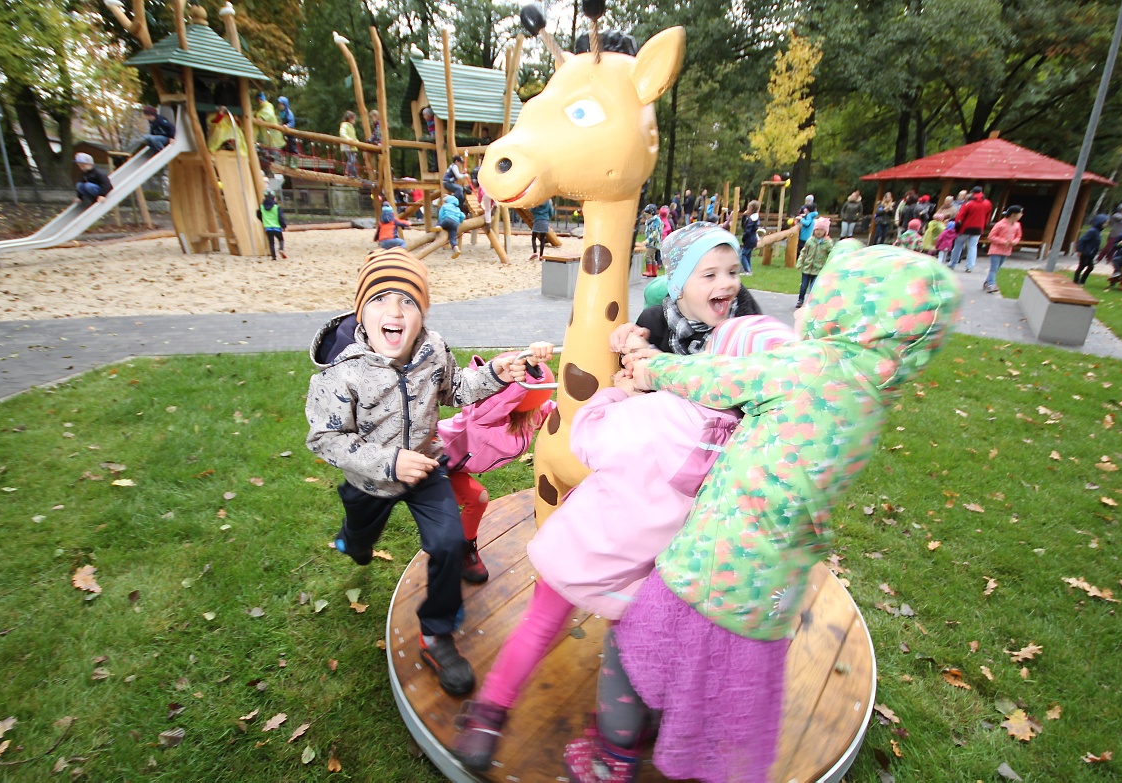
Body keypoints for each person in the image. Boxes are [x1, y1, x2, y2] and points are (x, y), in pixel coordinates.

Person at [562, 243, 960, 783]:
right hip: (775, 582)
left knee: (634, 646)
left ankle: (612, 758)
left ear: (847, 308)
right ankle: (692, 745)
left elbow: (717, 381)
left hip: (715, 555)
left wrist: (655, 366)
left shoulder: (812, 363)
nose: (805, 306)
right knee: (722, 674)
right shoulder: (870, 396)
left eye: (822, 294)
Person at [452, 316, 796, 772]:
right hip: (644, 576)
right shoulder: (751, 444)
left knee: (537, 628)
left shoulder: (660, 413)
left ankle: (489, 716)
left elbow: (588, 441)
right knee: (630, 656)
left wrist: (618, 395)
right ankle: (624, 732)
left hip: (581, 550)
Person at [304, 248, 547, 697]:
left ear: (422, 314)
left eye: (409, 302)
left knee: (448, 542)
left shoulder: (432, 350)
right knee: (360, 538)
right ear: (362, 310)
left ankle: (436, 634)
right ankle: (355, 541)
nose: (394, 311)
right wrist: (388, 461)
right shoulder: (341, 372)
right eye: (381, 300)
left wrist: (497, 370)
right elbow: (326, 438)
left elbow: (458, 387)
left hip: (425, 467)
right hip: (370, 480)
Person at [439, 351, 556, 586]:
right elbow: (501, 402)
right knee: (378, 500)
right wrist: (529, 373)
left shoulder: (530, 415)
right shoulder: (485, 415)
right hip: (433, 460)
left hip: (459, 465)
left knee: (476, 498)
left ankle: (464, 547)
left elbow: (558, 408)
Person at [609, 222, 762, 357]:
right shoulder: (653, 323)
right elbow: (629, 374)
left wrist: (658, 362)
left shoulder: (747, 330)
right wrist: (629, 344)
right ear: (678, 287)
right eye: (710, 275)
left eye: (732, 272)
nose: (727, 283)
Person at [950, 186, 993, 272]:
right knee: (973, 247)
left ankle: (953, 263)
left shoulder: (968, 204)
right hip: (978, 228)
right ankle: (970, 266)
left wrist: (957, 226)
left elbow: (959, 217)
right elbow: (987, 217)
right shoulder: (988, 203)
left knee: (958, 245)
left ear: (972, 193)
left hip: (965, 228)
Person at [983, 205, 1023, 294]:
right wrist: (1003, 241)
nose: (1021, 215)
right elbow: (991, 236)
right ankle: (991, 284)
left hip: (1006, 250)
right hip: (996, 250)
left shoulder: (1017, 225)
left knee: (997, 268)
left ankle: (987, 282)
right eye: (1020, 213)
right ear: (1013, 214)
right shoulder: (1000, 224)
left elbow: (1018, 236)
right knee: (994, 268)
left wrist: (1014, 241)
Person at [795, 216, 834, 308]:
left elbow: (831, 254)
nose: (818, 232)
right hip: (807, 268)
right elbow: (803, 252)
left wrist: (829, 264)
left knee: (814, 287)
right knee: (804, 286)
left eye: (821, 230)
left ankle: (811, 302)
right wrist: (800, 262)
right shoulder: (810, 241)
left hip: (818, 269)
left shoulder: (827, 243)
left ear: (825, 231)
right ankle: (800, 299)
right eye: (817, 229)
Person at [1073, 214, 1106, 285]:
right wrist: (1080, 250)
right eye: (1105, 223)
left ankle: (1082, 281)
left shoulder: (1098, 232)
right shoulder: (1092, 231)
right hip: (1086, 252)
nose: (1106, 225)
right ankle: (1076, 281)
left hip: (1091, 253)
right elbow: (1082, 240)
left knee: (1090, 267)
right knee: (1082, 266)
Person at [255, 191, 287, 260]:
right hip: (277, 227)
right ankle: (281, 249)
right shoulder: (276, 207)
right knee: (281, 239)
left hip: (268, 227)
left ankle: (273, 257)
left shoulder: (262, 207)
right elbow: (280, 217)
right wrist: (283, 226)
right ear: (273, 198)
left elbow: (258, 215)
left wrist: (263, 221)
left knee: (271, 243)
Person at [438, 193, 466, 259]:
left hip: (447, 220)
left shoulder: (445, 206)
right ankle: (456, 249)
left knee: (439, 223)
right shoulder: (457, 209)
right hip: (455, 224)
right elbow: (463, 216)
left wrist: (441, 221)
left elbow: (440, 215)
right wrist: (459, 221)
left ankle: (438, 227)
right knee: (452, 238)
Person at [739, 200, 761, 274]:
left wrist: (744, 238)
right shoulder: (754, 217)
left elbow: (747, 229)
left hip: (749, 239)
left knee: (743, 255)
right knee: (748, 255)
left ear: (751, 208)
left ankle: (747, 271)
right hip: (753, 238)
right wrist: (744, 216)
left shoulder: (752, 219)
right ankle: (748, 269)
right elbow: (743, 226)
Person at [339, 111, 359, 178]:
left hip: (353, 146)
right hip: (347, 145)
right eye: (353, 119)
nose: (354, 121)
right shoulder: (344, 125)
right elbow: (342, 133)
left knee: (353, 160)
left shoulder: (352, 127)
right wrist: (348, 139)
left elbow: (354, 137)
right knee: (351, 159)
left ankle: (354, 173)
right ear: (350, 119)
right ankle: (348, 172)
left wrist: (357, 142)